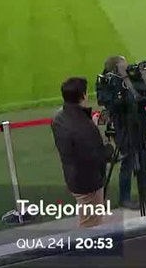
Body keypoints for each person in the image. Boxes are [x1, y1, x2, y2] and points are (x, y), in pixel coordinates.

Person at [51, 77, 114, 227]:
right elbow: (99, 156)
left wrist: (90, 123)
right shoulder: (85, 128)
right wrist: (110, 144)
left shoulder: (58, 118)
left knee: (86, 216)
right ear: (83, 96)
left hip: (73, 177)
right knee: (91, 225)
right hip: (88, 183)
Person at [102, 56, 146, 210]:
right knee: (128, 160)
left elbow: (141, 101)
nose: (128, 66)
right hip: (123, 126)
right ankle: (125, 198)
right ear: (116, 68)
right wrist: (123, 93)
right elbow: (112, 104)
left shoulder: (131, 78)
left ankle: (145, 188)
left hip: (138, 122)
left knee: (142, 153)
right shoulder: (108, 83)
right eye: (124, 64)